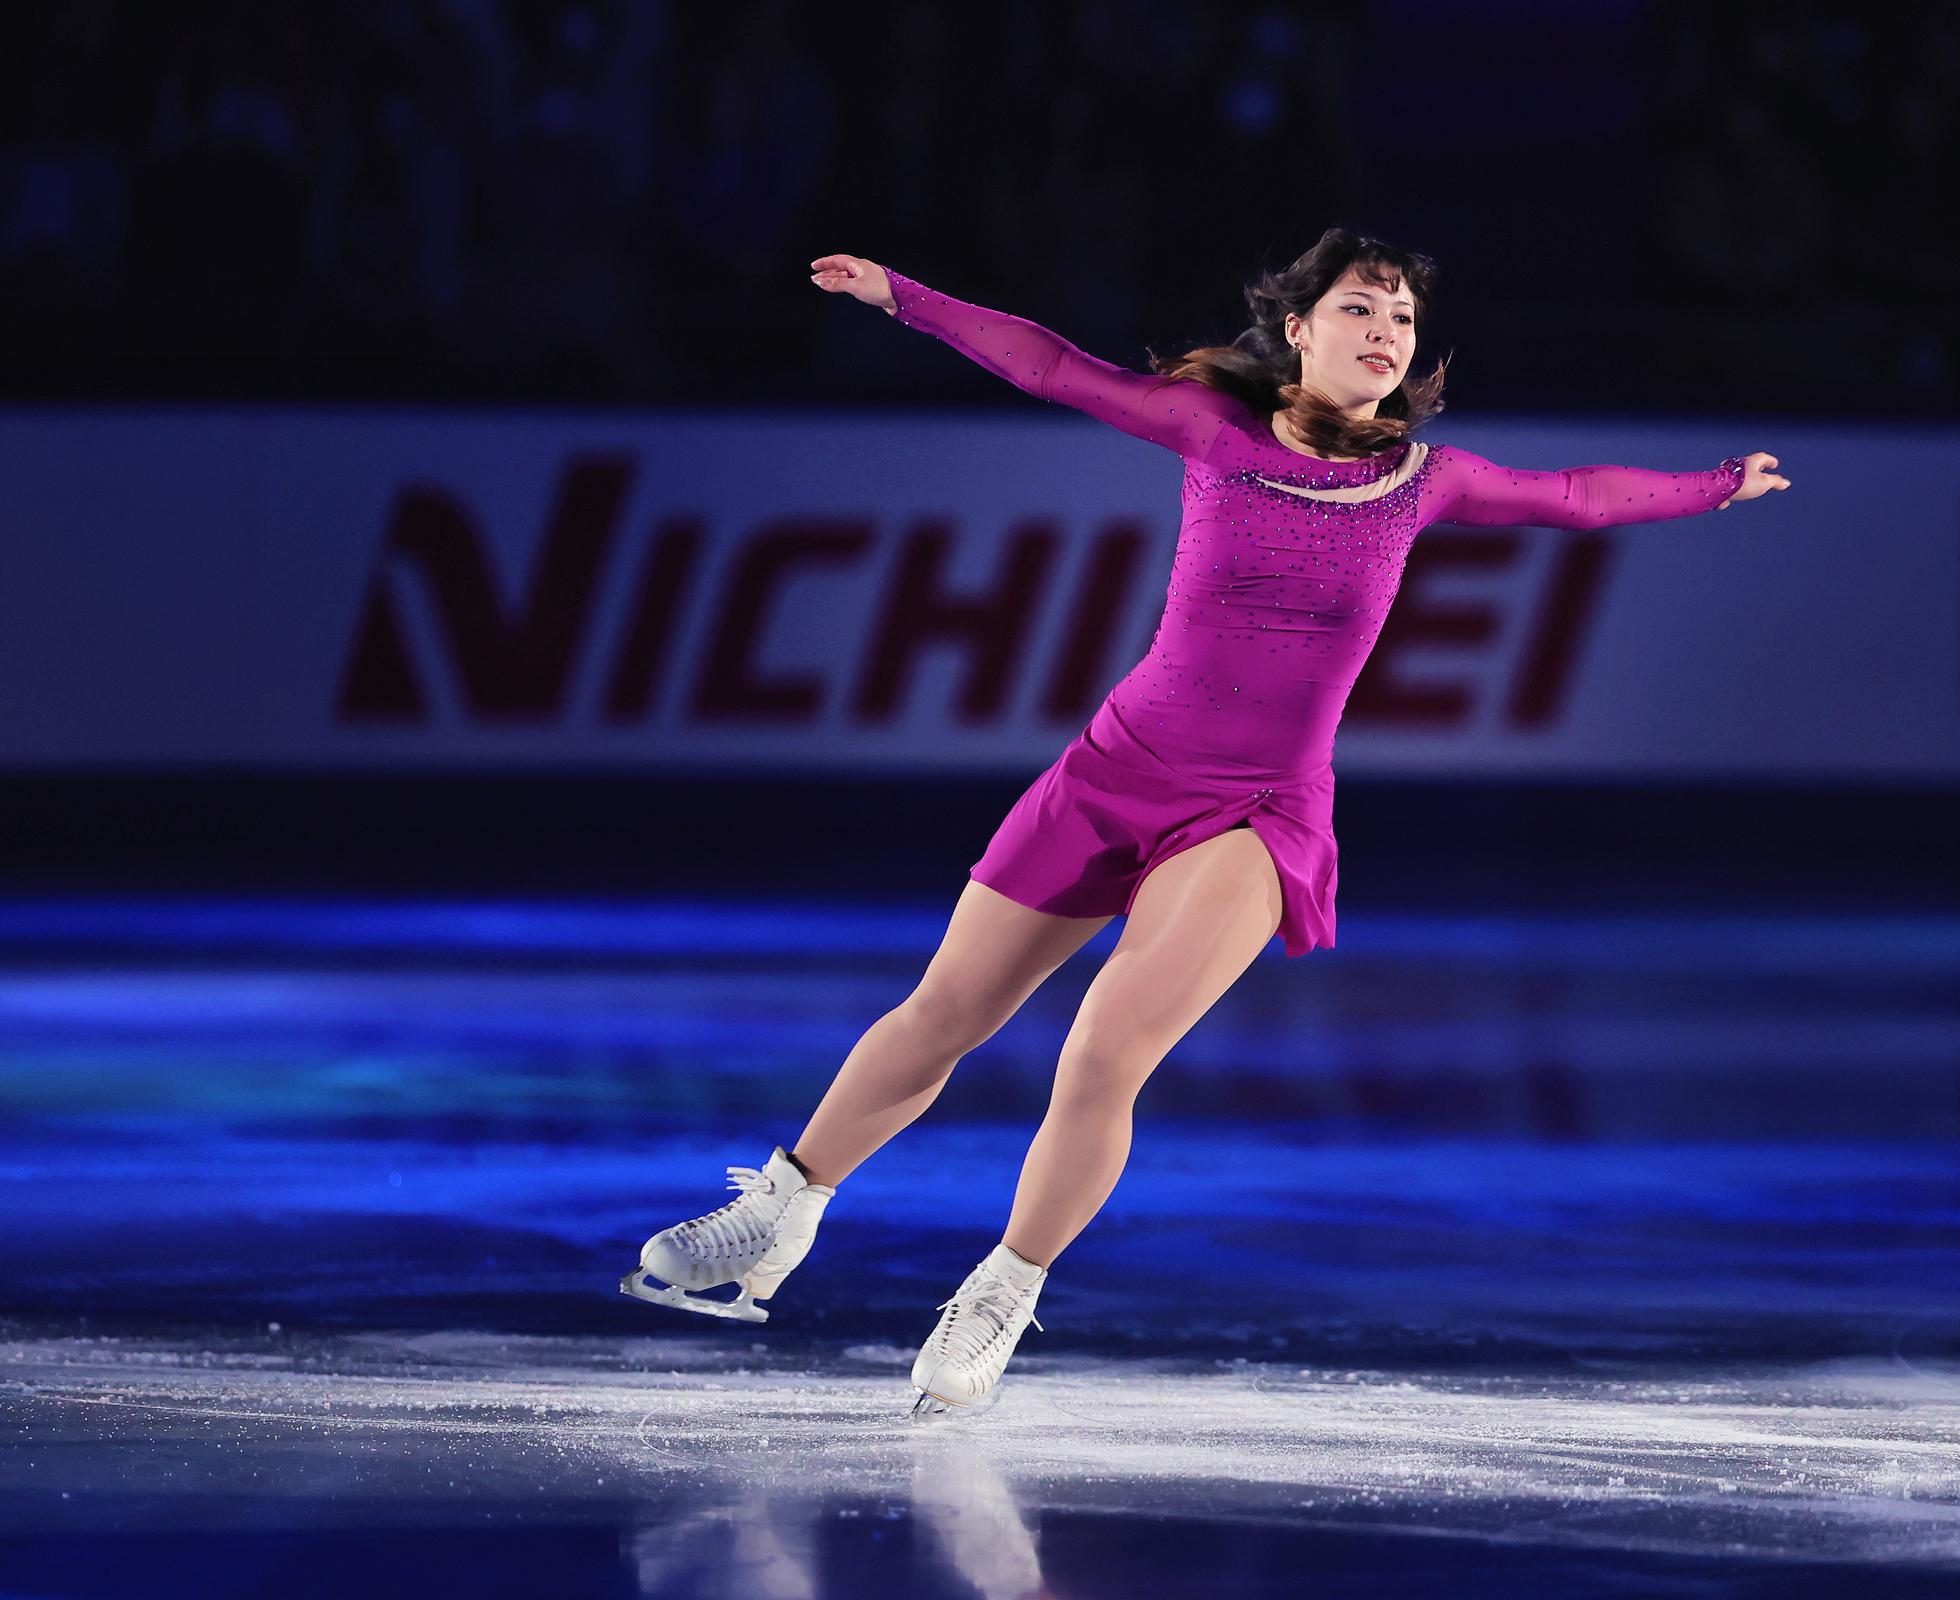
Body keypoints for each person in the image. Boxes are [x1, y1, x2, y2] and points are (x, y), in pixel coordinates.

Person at [621, 227, 1792, 1412]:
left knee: (1102, 1048)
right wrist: (899, 297)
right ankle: (780, 1212)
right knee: (945, 1011)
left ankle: (1000, 1292)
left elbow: (1578, 498)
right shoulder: (1214, 434)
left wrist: (1715, 485)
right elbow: (1049, 365)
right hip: (1116, 768)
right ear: (1298, 327)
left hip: (1257, 809)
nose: (1385, 335)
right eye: (1361, 309)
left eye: (1401, 320)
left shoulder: (1424, 482)